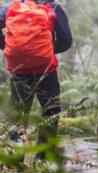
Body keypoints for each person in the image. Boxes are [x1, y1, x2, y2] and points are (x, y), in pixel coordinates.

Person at [0, 0, 72, 161]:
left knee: (18, 115)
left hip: (19, 70)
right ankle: (43, 159)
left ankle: (14, 162)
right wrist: (47, 50)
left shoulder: (11, 7)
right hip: (47, 70)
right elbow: (67, 40)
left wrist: (7, 46)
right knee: (50, 113)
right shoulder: (53, 7)